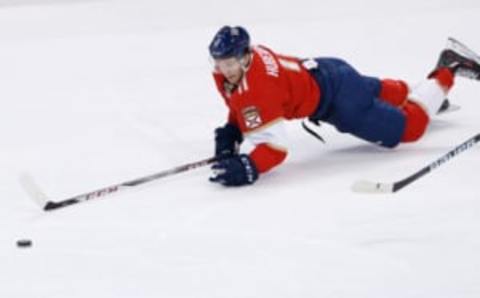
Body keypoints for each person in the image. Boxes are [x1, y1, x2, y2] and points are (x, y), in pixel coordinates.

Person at [208, 26, 480, 187]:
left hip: (340, 101)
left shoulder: (257, 87)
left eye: (230, 63)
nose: (224, 70)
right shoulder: (244, 63)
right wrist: (233, 129)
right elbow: (240, 101)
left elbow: (275, 149)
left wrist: (249, 166)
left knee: (411, 128)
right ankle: (426, 96)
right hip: (329, 70)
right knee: (375, 90)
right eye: (219, 63)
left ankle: (449, 68)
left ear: (245, 57)